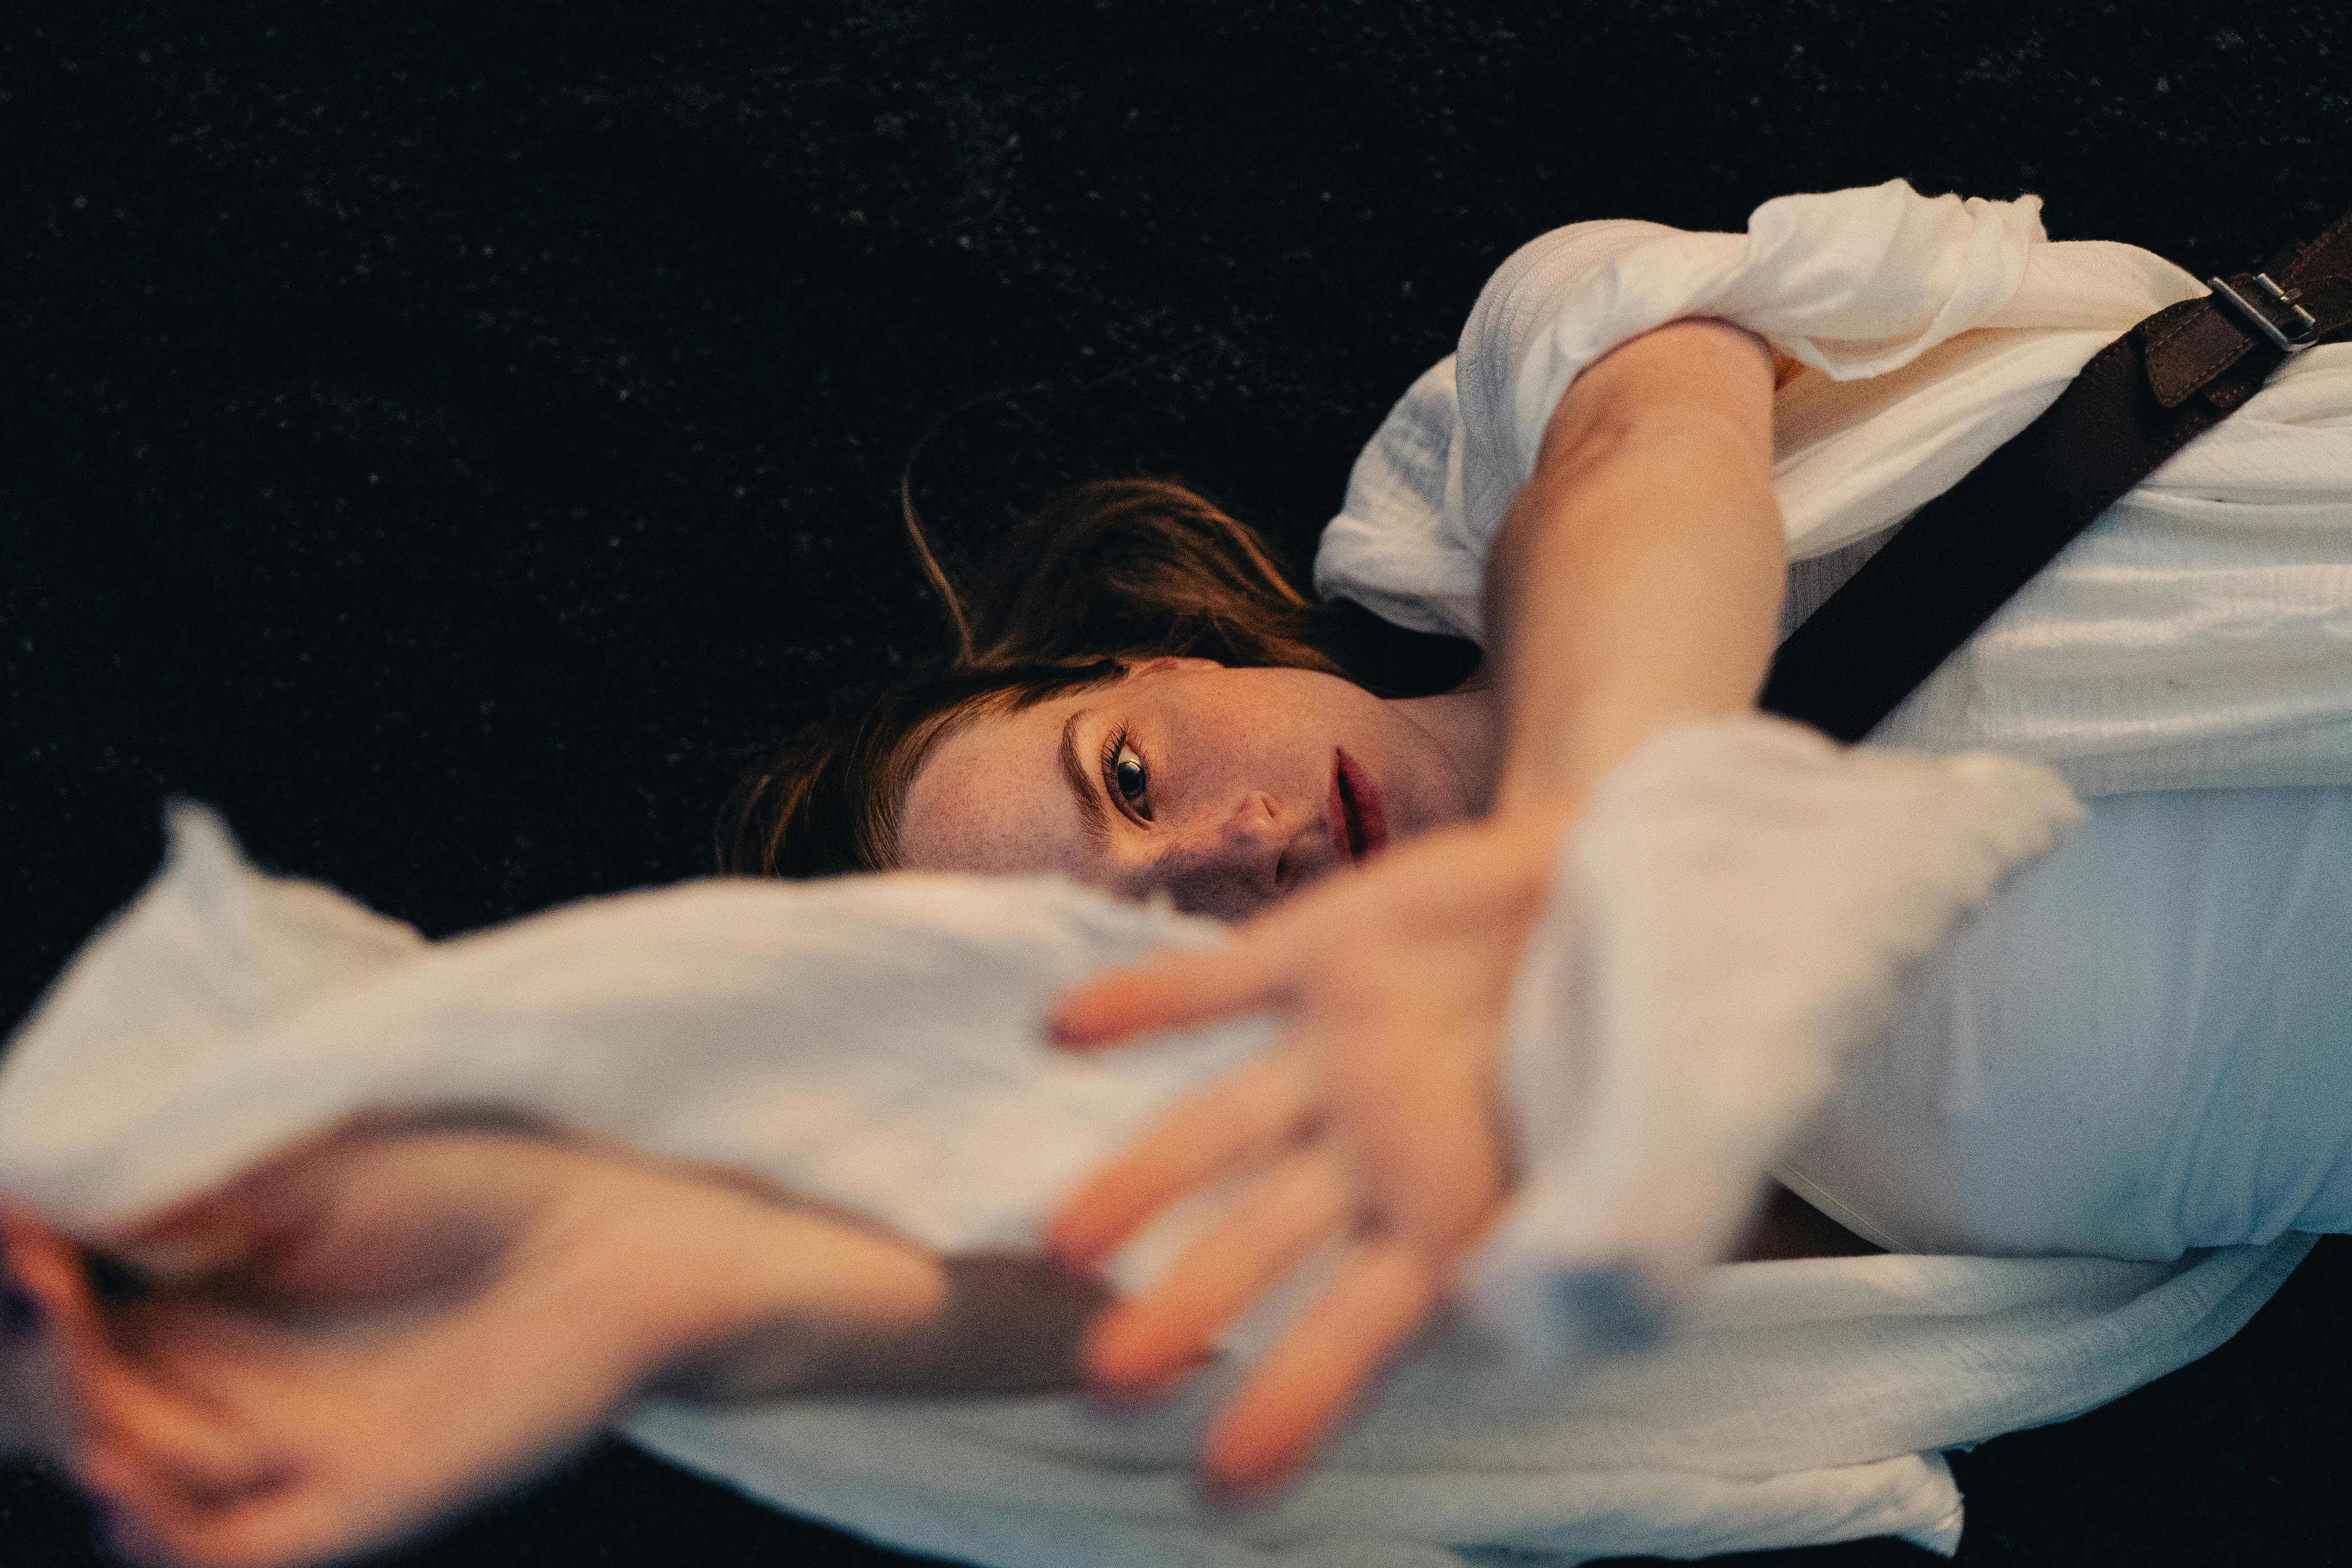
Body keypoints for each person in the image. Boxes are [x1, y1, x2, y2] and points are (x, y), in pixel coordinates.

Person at [725, 180, 2352, 1491]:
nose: (1232, 857)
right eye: (1138, 947)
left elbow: (1659, 452)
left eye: (1129, 779)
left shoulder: (1509, 439)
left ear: (1163, 664)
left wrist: (1581, 874)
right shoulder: (1650, 1213)